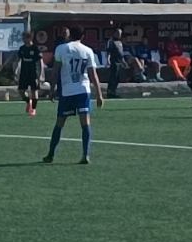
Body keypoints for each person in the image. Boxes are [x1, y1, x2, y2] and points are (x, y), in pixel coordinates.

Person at [44, 26, 103, 164]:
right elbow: (93, 74)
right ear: (82, 36)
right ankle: (85, 155)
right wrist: (99, 94)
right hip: (83, 90)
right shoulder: (88, 51)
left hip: (67, 91)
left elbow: (55, 71)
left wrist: (52, 89)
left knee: (60, 123)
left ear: (70, 35)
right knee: (85, 123)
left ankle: (50, 154)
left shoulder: (61, 49)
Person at [16, 31, 43, 117]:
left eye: (24, 38)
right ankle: (28, 101)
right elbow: (18, 60)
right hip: (24, 73)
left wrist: (40, 75)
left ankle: (33, 109)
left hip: (33, 73)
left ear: (30, 38)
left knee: (34, 91)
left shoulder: (35, 48)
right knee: (21, 91)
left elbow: (40, 62)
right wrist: (16, 71)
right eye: (23, 38)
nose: (23, 40)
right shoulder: (22, 48)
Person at [104, 28, 127, 99]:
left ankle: (114, 91)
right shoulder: (111, 41)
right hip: (114, 62)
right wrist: (108, 60)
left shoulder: (120, 42)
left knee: (117, 78)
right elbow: (108, 52)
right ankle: (110, 92)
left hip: (119, 62)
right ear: (115, 33)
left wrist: (123, 62)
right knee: (113, 77)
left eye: (120, 33)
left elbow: (121, 54)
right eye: (118, 33)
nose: (119, 35)